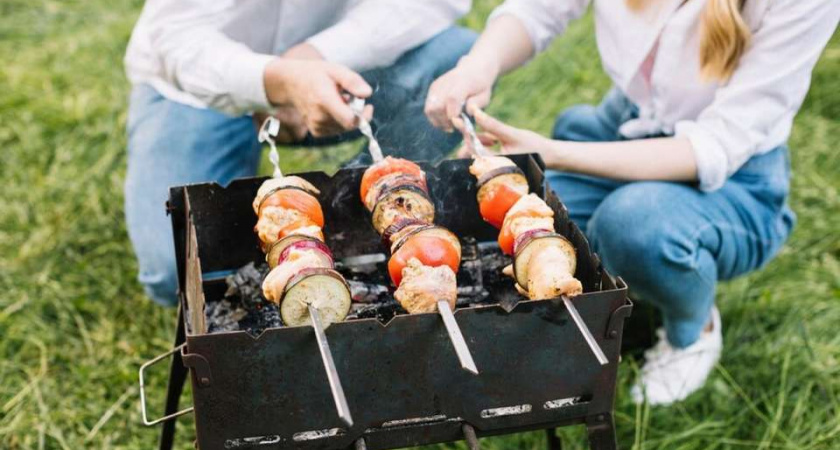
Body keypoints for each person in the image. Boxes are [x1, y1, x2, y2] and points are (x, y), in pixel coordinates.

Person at [426, 0, 839, 405]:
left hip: (736, 176)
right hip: (629, 122)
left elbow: (715, 146)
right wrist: (478, 66)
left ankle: (694, 330)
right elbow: (540, 9)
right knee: (547, 225)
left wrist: (553, 151)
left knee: (631, 227)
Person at [124, 0, 477, 307]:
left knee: (458, 59)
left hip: (347, 65)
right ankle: (299, 240)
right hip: (198, 88)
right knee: (176, 271)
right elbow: (175, 34)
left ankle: (360, 209)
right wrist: (274, 81)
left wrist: (311, 56)